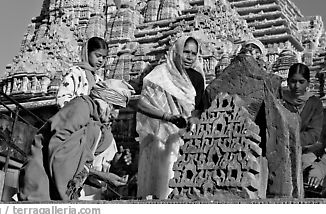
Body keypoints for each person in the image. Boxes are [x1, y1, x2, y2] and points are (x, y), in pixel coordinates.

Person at [18, 82, 131, 201]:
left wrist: (109, 171)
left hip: (57, 186)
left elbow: (77, 162)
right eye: (115, 107)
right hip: (41, 184)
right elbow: (61, 152)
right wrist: (69, 197)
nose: (116, 115)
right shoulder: (81, 107)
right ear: (104, 101)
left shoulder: (96, 123)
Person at [136, 35, 206, 199]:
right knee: (162, 185)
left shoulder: (197, 77)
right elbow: (142, 104)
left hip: (184, 136)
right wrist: (168, 117)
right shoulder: (160, 74)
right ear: (177, 52)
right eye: (185, 52)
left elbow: (198, 107)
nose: (189, 57)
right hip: (159, 138)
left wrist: (193, 119)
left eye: (193, 53)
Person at [281, 63, 324, 162]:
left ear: (308, 83)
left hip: (306, 150)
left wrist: (292, 139)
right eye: (293, 81)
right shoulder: (280, 100)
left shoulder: (314, 103)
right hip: (281, 147)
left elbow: (314, 133)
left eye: (301, 82)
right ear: (287, 82)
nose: (297, 86)